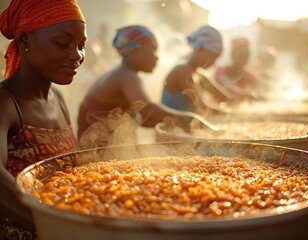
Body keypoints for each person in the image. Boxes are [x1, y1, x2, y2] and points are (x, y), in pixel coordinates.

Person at [0, 0, 86, 238]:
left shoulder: (57, 97)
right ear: (25, 40)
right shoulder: (5, 103)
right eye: (62, 43)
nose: (77, 55)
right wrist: (59, 228)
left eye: (81, 45)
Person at [77, 25, 210, 149]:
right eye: (153, 50)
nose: (156, 57)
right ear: (134, 51)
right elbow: (147, 109)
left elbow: (144, 119)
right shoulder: (126, 75)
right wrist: (189, 119)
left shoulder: (125, 74)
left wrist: (172, 124)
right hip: (95, 146)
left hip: (107, 144)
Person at [161, 25, 223, 113]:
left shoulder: (198, 74)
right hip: (171, 125)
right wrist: (231, 114)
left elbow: (220, 96)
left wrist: (243, 98)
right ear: (200, 49)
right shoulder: (182, 71)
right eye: (213, 56)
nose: (214, 62)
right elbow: (199, 106)